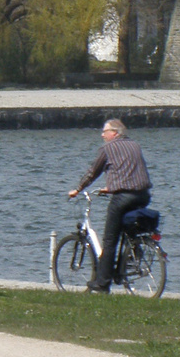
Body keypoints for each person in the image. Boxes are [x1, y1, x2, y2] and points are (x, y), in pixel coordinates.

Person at [68, 118, 152, 292]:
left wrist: (77, 189)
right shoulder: (135, 145)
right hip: (143, 195)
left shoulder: (107, 148)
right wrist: (111, 187)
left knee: (109, 239)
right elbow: (131, 170)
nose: (102, 135)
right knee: (128, 231)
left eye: (104, 132)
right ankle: (131, 257)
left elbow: (93, 172)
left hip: (123, 197)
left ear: (114, 133)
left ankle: (102, 283)